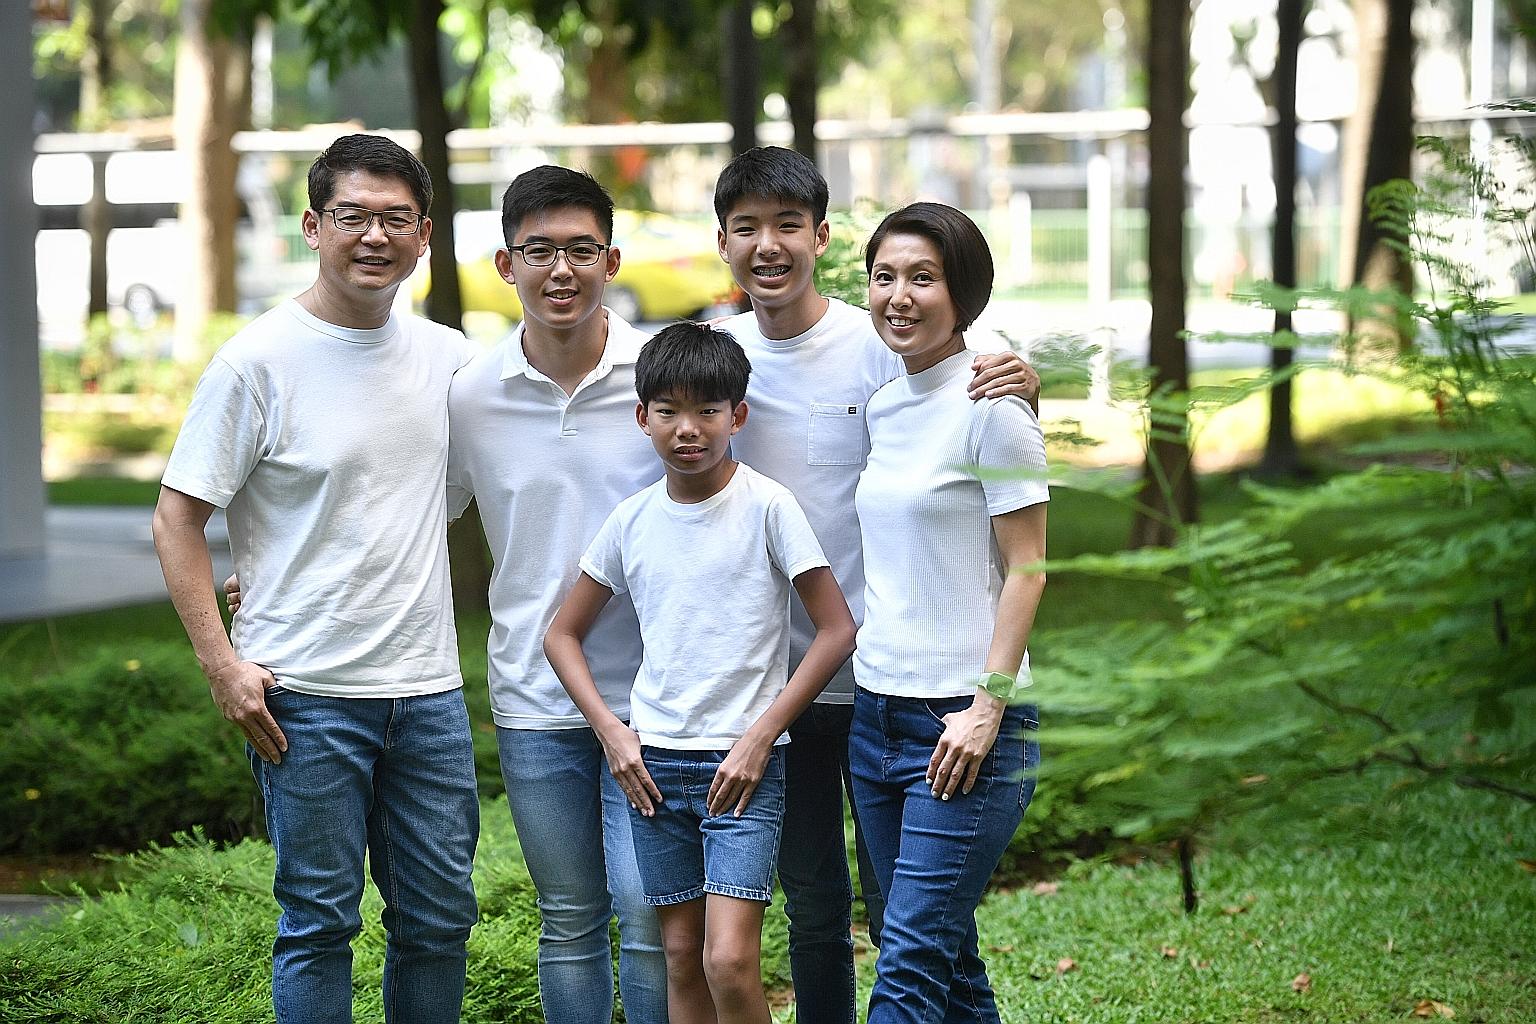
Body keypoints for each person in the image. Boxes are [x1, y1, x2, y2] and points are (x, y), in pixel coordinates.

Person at [152, 134, 480, 1024]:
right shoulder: (257, 362)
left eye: (395, 220)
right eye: (353, 217)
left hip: (429, 693)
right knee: (319, 922)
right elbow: (177, 517)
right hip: (305, 696)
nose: (374, 238)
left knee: (441, 920)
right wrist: (223, 665)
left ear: (423, 234)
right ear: (311, 225)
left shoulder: (450, 360)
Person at [711, 146, 1040, 1024]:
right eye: (747, 227)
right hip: (805, 686)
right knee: (922, 947)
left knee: (910, 956)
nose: (769, 246)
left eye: (788, 226)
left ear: (819, 237)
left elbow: (1026, 550)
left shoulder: (888, 352)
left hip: (927, 702)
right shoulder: (727, 355)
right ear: (723, 243)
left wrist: (991, 702)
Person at [543, 322, 857, 1024]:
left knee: (729, 961)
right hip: (654, 769)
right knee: (681, 957)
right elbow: (562, 635)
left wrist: (760, 736)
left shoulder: (768, 505)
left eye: (708, 411)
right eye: (669, 412)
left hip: (744, 769)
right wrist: (614, 734)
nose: (689, 429)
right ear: (642, 418)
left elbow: (837, 631)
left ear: (738, 416)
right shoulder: (630, 521)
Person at [443, 165, 669, 1024]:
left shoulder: (663, 374)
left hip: (656, 695)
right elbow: (412, 513)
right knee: (569, 919)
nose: (561, 270)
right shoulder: (472, 395)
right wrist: (270, 571)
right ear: (507, 265)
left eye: (581, 249)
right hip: (534, 699)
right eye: (539, 251)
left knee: (651, 917)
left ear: (611, 260)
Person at [849, 202, 1048, 1024]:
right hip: (875, 715)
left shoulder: (993, 402)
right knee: (947, 964)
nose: (900, 296)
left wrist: (986, 707)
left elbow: (1029, 569)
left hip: (965, 728)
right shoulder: (888, 403)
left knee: (908, 968)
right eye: (885, 276)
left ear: (963, 292)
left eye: (923, 278)